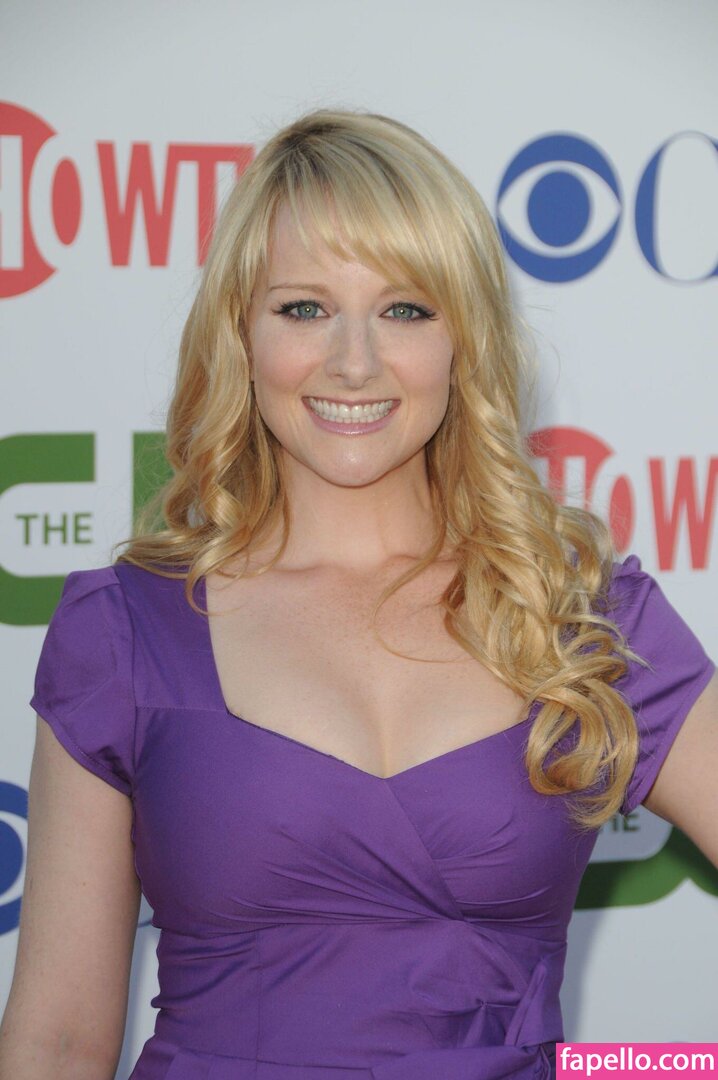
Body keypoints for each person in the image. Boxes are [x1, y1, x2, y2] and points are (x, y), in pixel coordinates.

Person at [1, 107, 716, 1080]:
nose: (353, 361)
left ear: (464, 340)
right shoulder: (125, 632)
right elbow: (56, 1042)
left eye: (404, 309)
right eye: (304, 308)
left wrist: (649, 1068)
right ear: (240, 332)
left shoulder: (585, 619)